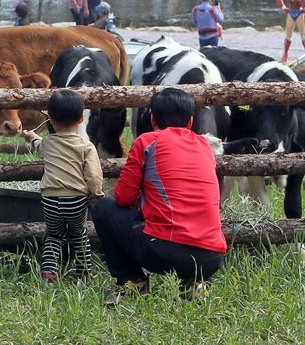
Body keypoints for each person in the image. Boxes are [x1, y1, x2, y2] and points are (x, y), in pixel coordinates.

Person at [92, 88, 227, 305]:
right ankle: (195, 283)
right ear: (191, 122)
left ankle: (133, 280)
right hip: (213, 257)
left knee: (103, 208)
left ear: (153, 119)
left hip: (164, 252)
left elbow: (123, 197)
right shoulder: (204, 145)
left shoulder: (147, 141)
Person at [22, 88, 103, 282]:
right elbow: (93, 174)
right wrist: (96, 195)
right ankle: (83, 272)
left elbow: (39, 145)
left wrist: (31, 136)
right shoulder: (85, 146)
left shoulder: (49, 142)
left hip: (50, 198)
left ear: (50, 119)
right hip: (75, 199)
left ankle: (49, 273)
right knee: (79, 233)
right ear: (81, 119)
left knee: (54, 236)